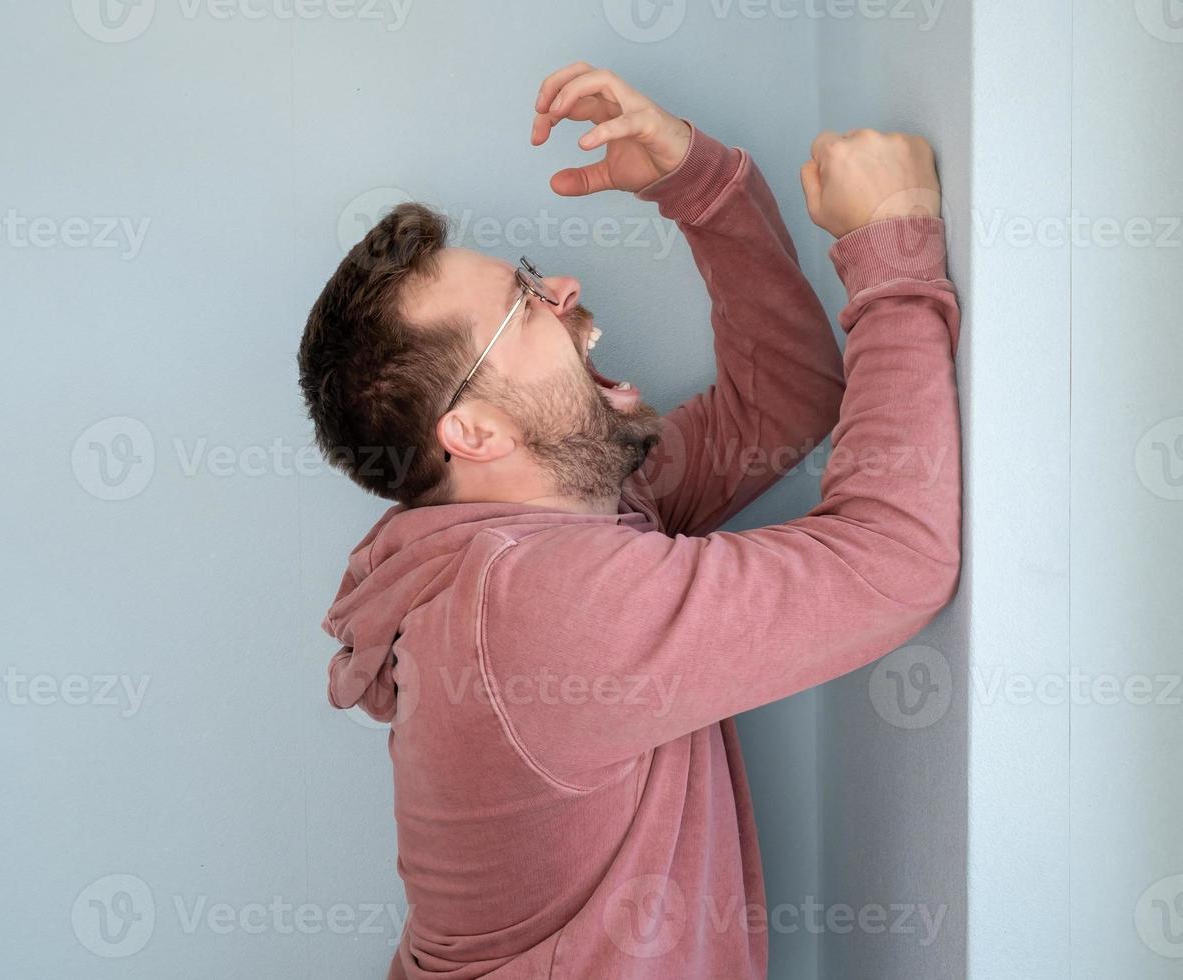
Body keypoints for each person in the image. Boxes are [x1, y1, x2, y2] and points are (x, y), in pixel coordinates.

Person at [297, 61, 960, 980]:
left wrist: (696, 182)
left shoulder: (561, 527)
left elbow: (785, 401)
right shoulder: (534, 605)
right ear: (474, 430)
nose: (561, 288)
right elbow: (892, 563)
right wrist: (892, 249)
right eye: (522, 304)